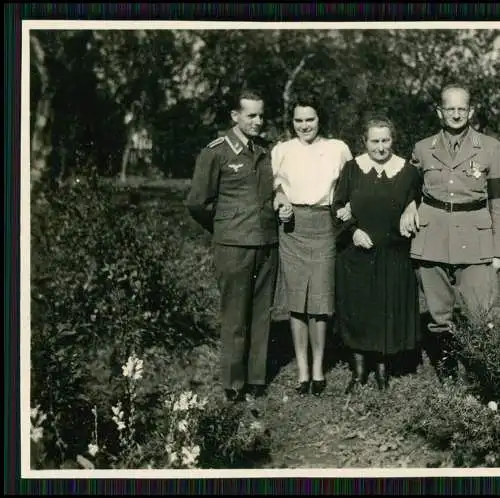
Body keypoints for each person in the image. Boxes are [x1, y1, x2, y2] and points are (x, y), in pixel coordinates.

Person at [400, 84, 500, 379]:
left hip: (475, 235)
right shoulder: (422, 148)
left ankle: (481, 374)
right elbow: (407, 186)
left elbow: (497, 201)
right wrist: (408, 205)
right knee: (438, 312)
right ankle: (447, 374)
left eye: (461, 109)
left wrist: (498, 250)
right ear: (439, 112)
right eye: (449, 108)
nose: (456, 114)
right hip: (432, 236)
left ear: (470, 111)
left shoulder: (492, 147)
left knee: (480, 313)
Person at [185, 89, 279, 402]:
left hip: (266, 242)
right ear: (235, 116)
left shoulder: (266, 150)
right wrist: (224, 226)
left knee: (261, 314)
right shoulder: (216, 152)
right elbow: (198, 202)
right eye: (251, 115)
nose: (258, 121)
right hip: (233, 245)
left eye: (261, 115)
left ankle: (256, 379)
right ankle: (233, 384)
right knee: (235, 315)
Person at [271, 94, 353, 396]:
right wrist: (280, 199)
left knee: (319, 303)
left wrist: (347, 208)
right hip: (292, 228)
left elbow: (350, 182)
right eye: (298, 120)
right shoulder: (282, 150)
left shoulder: (337, 149)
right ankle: (302, 370)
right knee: (296, 302)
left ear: (320, 120)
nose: (304, 126)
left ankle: (319, 367)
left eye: (310, 119)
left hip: (323, 225)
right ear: (292, 122)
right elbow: (274, 185)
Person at [333, 116, 422, 392]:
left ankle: (383, 370)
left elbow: (419, 198)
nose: (381, 147)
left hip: (392, 254)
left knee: (386, 311)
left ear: (393, 141)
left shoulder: (407, 171)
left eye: (386, 140)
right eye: (375, 141)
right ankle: (359, 372)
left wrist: (413, 206)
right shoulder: (352, 168)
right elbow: (336, 206)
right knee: (358, 311)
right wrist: (353, 231)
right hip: (357, 254)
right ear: (364, 142)